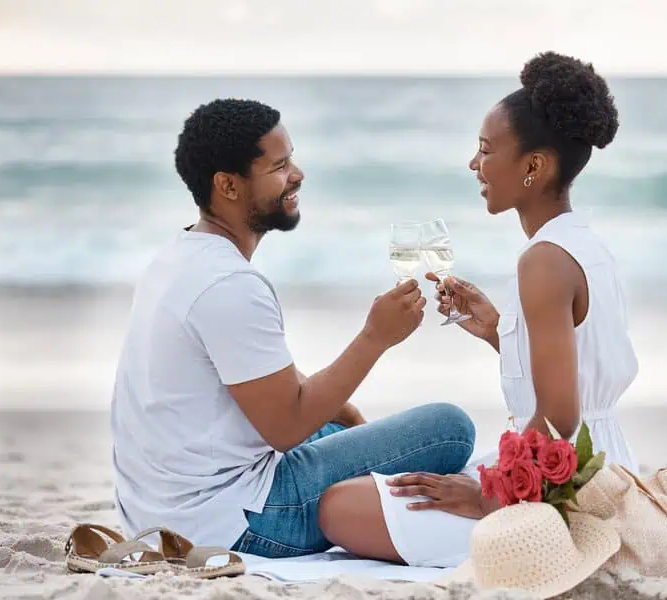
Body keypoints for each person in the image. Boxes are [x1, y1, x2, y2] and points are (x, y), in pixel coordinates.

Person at [109, 98, 476, 559]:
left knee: (336, 429)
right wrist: (375, 337)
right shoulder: (230, 284)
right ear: (228, 185)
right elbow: (285, 428)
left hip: (155, 512)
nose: (298, 174)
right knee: (448, 430)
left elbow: (261, 383)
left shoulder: (177, 258)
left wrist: (345, 415)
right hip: (237, 522)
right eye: (279, 166)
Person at [316, 51, 640, 567]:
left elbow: (559, 418)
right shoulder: (584, 243)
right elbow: (578, 365)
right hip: (602, 468)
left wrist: (487, 499)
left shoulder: (543, 261)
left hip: (567, 489)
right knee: (375, 491)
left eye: (486, 151)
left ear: (533, 165)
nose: (474, 165)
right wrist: (498, 331)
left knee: (336, 507)